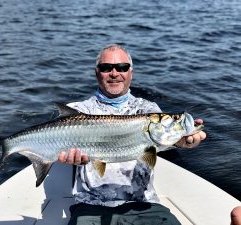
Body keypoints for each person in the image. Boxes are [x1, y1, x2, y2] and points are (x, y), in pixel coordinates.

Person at [58, 44, 206, 225]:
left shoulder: (148, 109)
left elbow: (163, 141)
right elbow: (57, 146)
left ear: (131, 73)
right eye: (106, 68)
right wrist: (65, 156)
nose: (114, 73)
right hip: (91, 205)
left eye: (122, 67)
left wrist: (183, 141)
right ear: (97, 73)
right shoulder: (78, 110)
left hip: (143, 204)